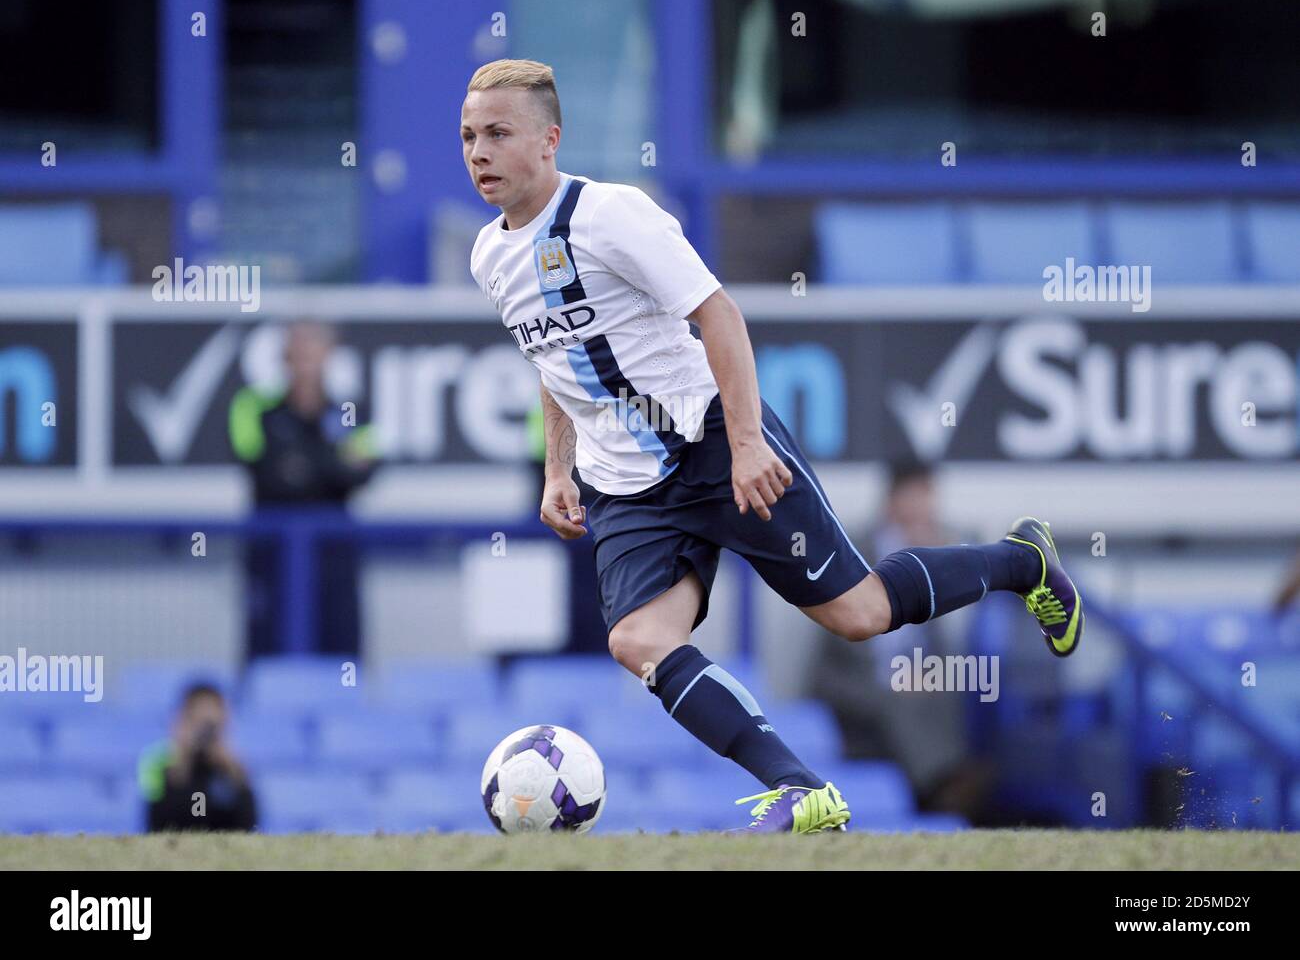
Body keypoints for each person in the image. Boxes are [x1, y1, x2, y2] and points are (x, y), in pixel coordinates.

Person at [462, 59, 1083, 834]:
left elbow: (719, 314)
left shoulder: (612, 215)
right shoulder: (488, 255)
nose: (477, 151)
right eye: (467, 136)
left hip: (716, 438)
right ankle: (802, 789)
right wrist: (559, 467)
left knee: (861, 613)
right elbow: (551, 363)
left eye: (496, 133)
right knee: (638, 640)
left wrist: (749, 441)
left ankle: (1023, 560)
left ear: (550, 140)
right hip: (622, 484)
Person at [807, 462, 997, 823]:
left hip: (904, 688)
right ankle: (940, 784)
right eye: (918, 497)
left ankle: (948, 781)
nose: (926, 510)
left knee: (960, 678)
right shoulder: (853, 553)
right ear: (892, 501)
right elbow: (842, 646)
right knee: (899, 699)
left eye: (930, 499)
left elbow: (938, 643)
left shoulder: (930, 555)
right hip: (851, 690)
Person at [228, 320, 377, 655]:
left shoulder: (352, 412)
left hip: (335, 559)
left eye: (315, 353)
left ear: (330, 356)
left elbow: (363, 474)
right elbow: (265, 473)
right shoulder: (252, 408)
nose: (307, 364)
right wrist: (333, 462)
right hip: (271, 557)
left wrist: (302, 464)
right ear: (284, 359)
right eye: (299, 354)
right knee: (267, 651)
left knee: (340, 653)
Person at [138, 683, 257, 832]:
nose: (204, 733)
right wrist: (182, 763)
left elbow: (249, 826)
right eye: (197, 721)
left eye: (210, 725)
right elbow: (155, 825)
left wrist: (232, 772)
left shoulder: (234, 771)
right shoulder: (158, 765)